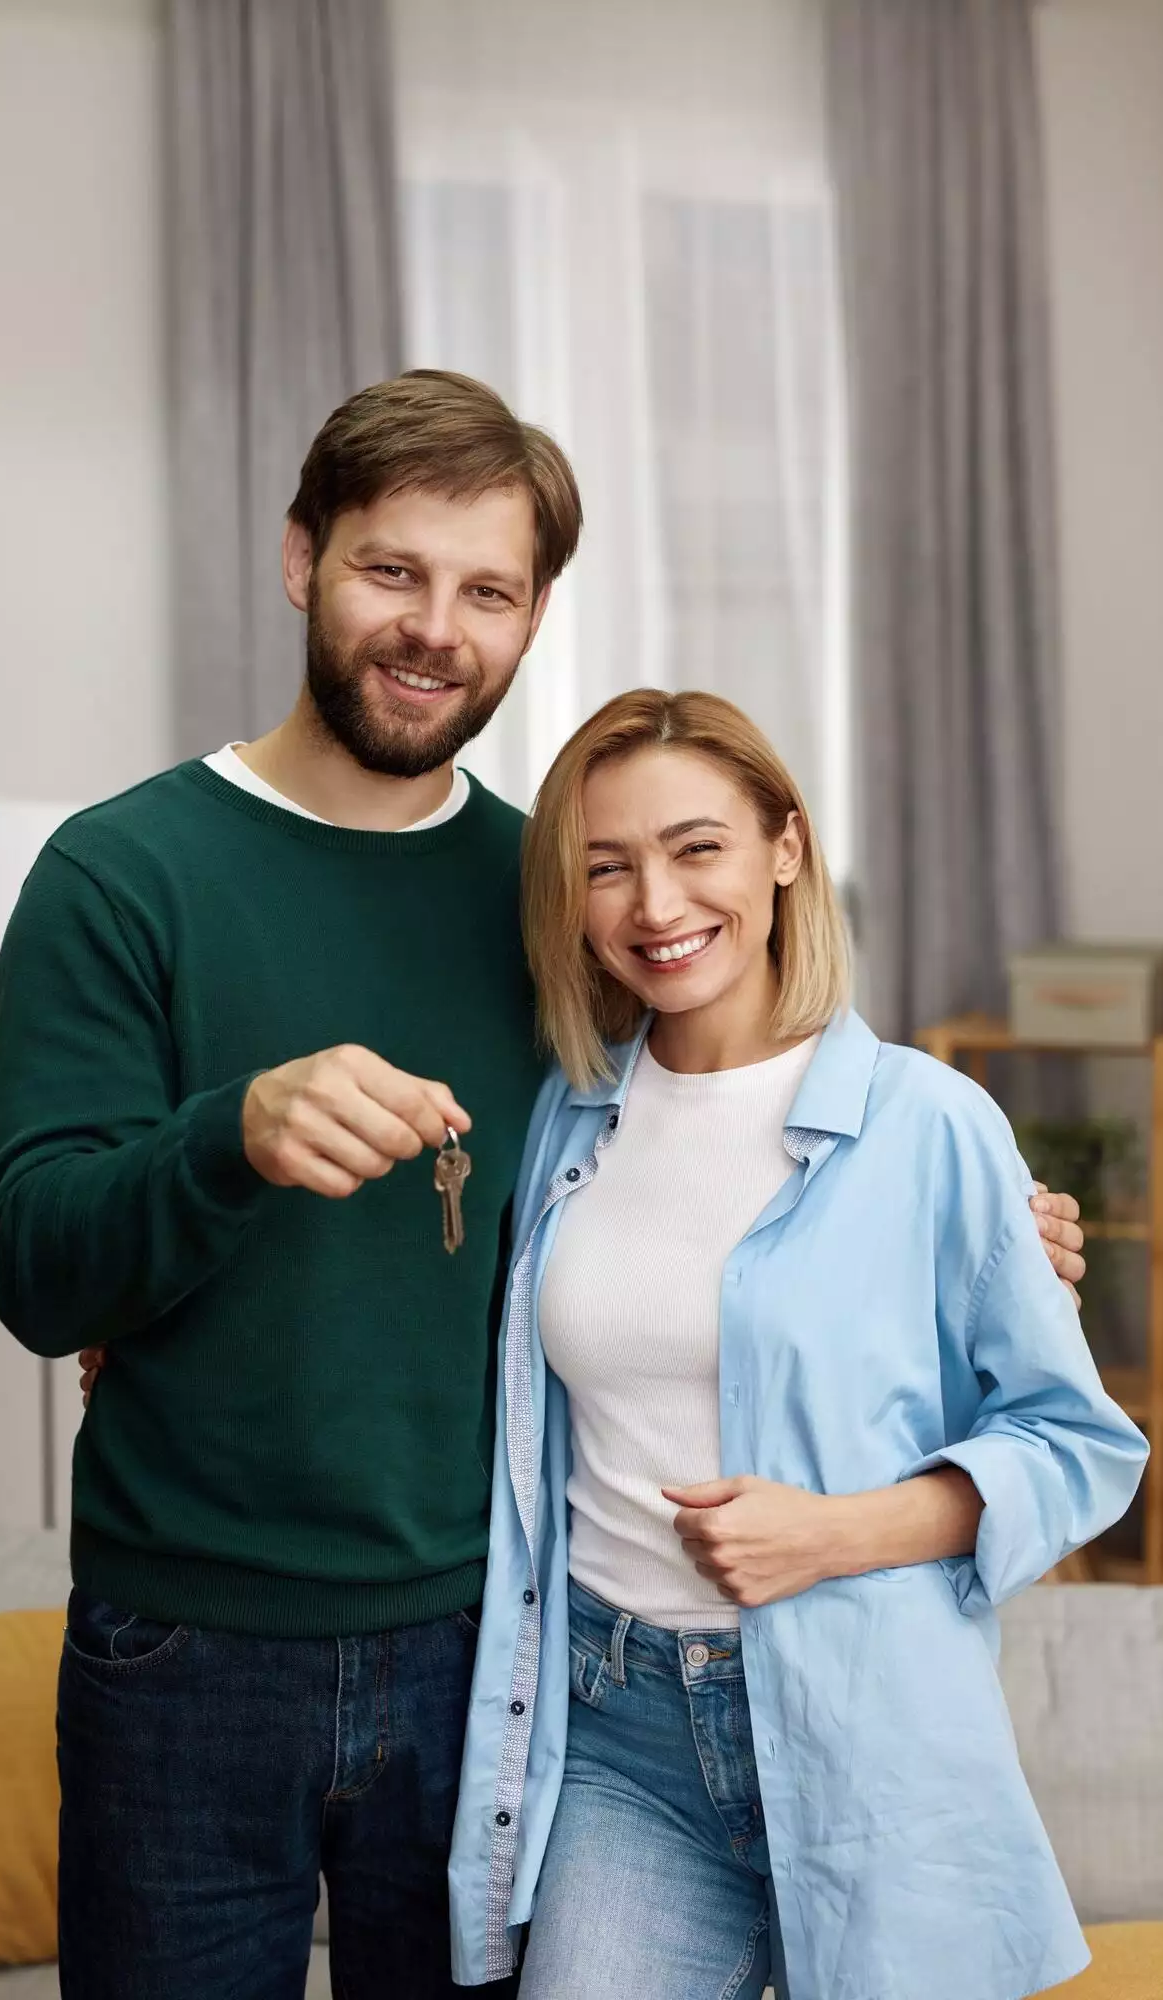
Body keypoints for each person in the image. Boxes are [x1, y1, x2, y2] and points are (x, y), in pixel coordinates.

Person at [0, 371, 1085, 2000]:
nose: (435, 628)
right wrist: (223, 1140)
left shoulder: (558, 888)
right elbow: (35, 1272)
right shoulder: (120, 874)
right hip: (186, 1649)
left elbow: (745, 1097)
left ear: (532, 615)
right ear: (301, 559)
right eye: (390, 571)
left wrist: (980, 1220)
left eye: (486, 591)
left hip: (493, 1653)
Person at [448, 687, 1147, 2000]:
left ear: (786, 847)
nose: (655, 904)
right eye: (609, 865)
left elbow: (1077, 1446)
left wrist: (834, 1533)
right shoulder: (563, 1123)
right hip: (617, 1739)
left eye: (696, 846)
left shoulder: (932, 1125)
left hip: (866, 1728)